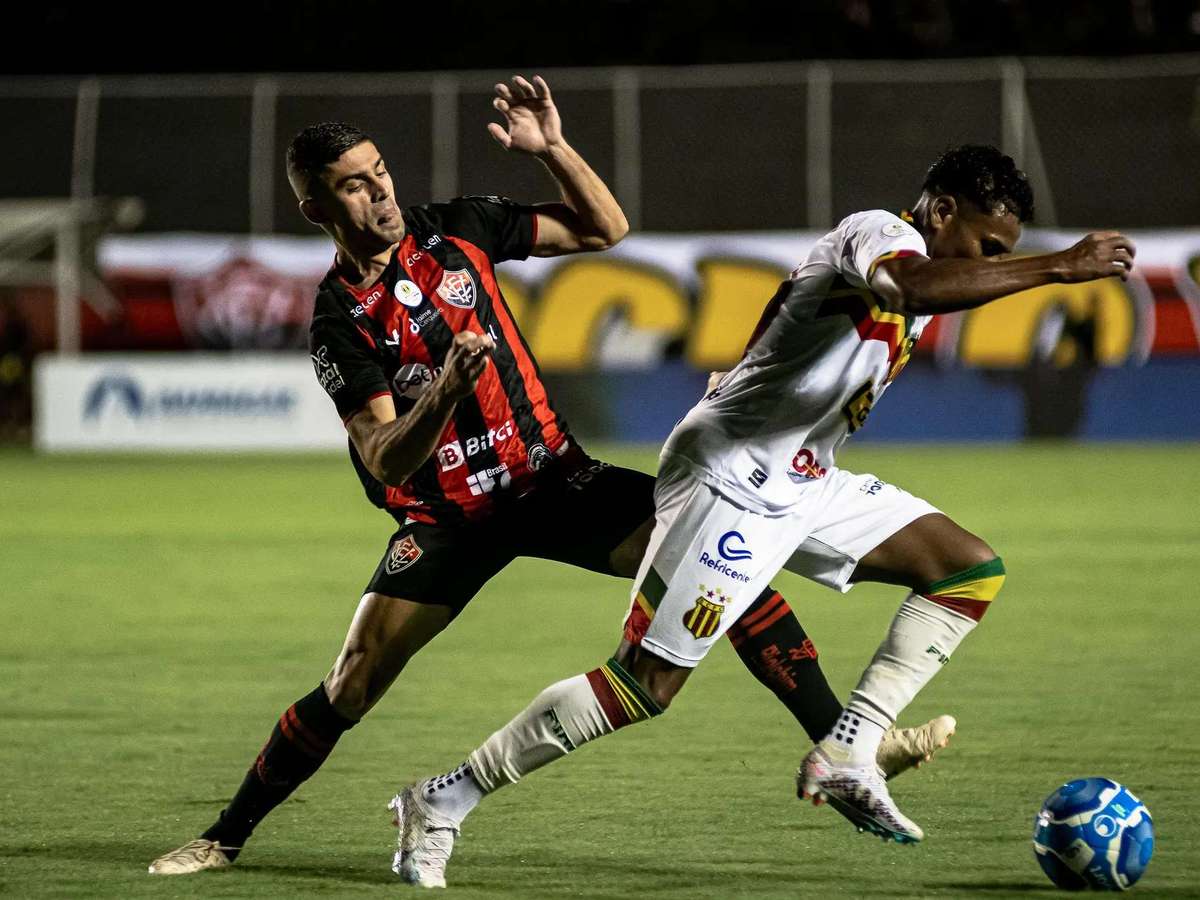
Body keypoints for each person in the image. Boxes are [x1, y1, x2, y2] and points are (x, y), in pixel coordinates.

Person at [148, 75, 952, 877]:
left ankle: (847, 748)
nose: (379, 194)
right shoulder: (338, 322)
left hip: (553, 483)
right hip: (448, 520)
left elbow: (605, 228)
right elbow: (385, 456)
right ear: (317, 210)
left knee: (724, 571)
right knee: (351, 683)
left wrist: (554, 150)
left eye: (380, 171)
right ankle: (224, 837)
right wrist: (449, 395)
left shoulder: (456, 228)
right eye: (352, 186)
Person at [395, 144, 1138, 887]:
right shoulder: (881, 232)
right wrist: (1055, 266)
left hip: (805, 478)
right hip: (732, 480)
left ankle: (851, 748)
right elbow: (909, 288)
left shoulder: (916, 257)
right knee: (642, 687)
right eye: (986, 246)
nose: (992, 262)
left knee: (967, 569)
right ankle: (442, 799)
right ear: (941, 211)